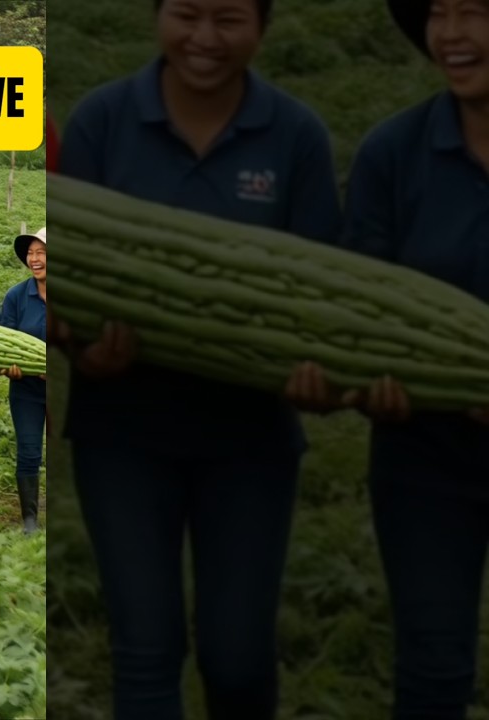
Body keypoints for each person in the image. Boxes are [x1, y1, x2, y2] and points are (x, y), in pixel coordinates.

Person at [55, 0, 342, 715]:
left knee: (238, 657)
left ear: (262, 26)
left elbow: (325, 289)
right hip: (122, 431)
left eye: (229, 18)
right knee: (145, 653)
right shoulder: (103, 121)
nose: (205, 39)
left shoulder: (295, 135)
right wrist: (80, 347)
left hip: (250, 437)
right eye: (186, 14)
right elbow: (64, 274)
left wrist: (319, 370)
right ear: (158, 17)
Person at [286, 0, 489, 715]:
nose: (453, 35)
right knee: (433, 665)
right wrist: (360, 380)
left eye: (476, 12)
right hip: (425, 454)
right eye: (439, 13)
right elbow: (362, 306)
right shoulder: (394, 152)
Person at [0, 227, 47, 535]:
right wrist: (12, 366)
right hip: (26, 389)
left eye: (42, 253)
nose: (34, 259)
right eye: (31, 253)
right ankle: (29, 519)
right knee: (28, 450)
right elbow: (6, 342)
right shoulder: (16, 296)